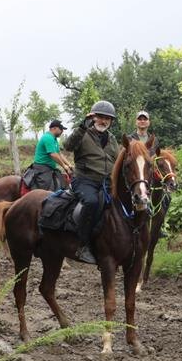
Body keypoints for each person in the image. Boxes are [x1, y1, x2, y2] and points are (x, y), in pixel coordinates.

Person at [63, 100, 121, 264]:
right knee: (92, 201)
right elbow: (67, 146)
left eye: (107, 119)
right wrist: (82, 127)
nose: (104, 121)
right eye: (100, 117)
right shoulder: (83, 133)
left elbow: (117, 161)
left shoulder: (112, 139)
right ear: (93, 118)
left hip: (107, 182)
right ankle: (82, 245)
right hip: (85, 180)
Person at [30, 119, 73, 190]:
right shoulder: (48, 138)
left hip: (49, 168)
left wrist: (69, 164)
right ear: (54, 128)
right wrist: (64, 166)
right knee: (48, 188)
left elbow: (59, 154)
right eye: (61, 129)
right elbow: (53, 154)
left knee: (62, 182)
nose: (62, 131)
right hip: (42, 167)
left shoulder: (54, 139)